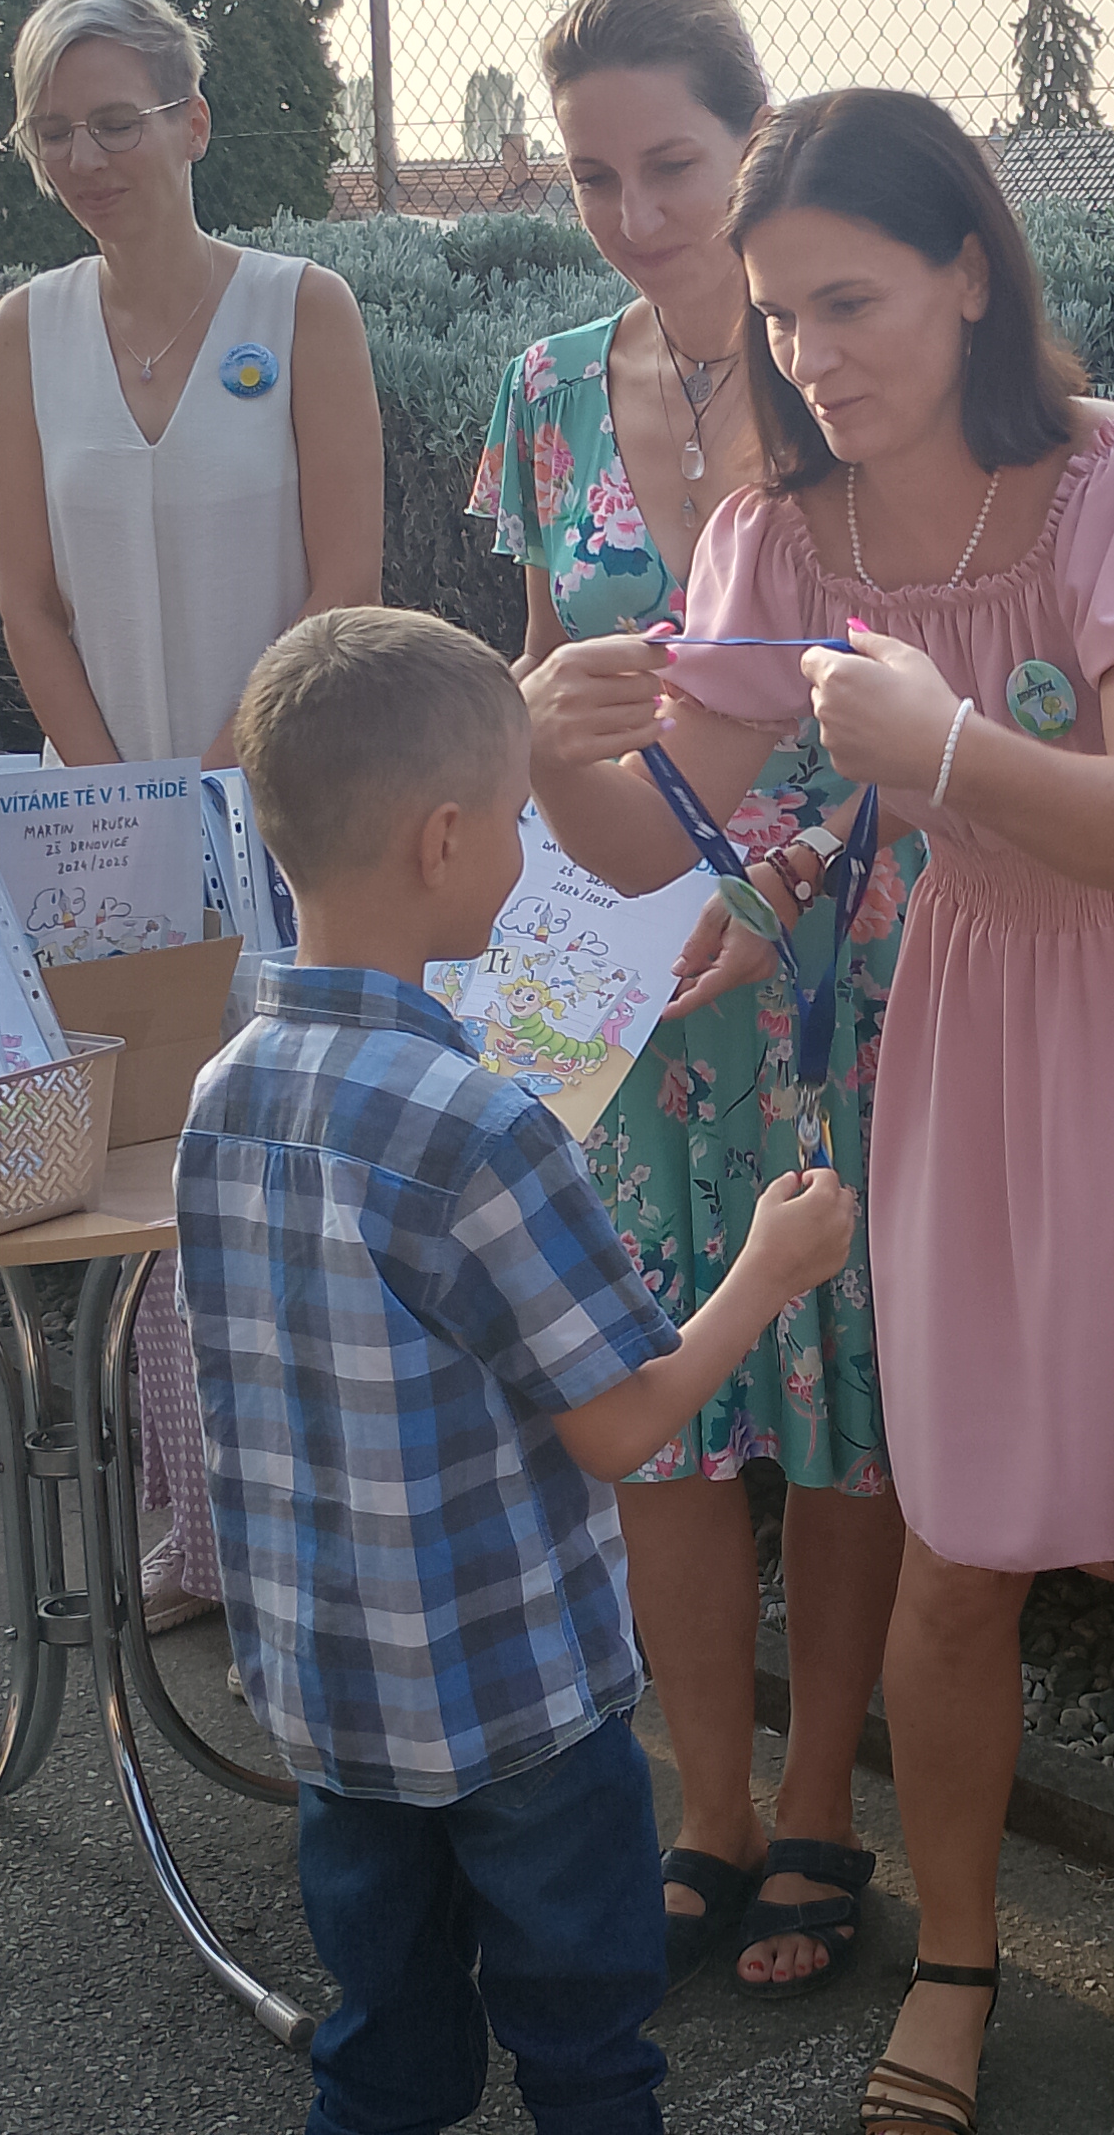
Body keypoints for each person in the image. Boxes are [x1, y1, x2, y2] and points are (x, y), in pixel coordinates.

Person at [524, 89, 1114, 2135]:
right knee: (957, 1547)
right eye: (779, 316)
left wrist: (941, 751)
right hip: (984, 1026)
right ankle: (957, 1954)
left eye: (848, 302)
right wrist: (552, 753)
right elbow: (653, 848)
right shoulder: (784, 533)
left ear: (969, 274)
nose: (808, 356)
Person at [178, 605, 857, 2135]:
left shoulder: (223, 1093)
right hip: (517, 1707)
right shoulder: (479, 1127)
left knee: (384, 2050)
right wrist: (769, 1271)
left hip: (332, 1697)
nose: (526, 855)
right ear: (443, 841)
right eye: (513, 823)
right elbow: (621, 1426)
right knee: (588, 2056)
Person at [472, 0, 910, 1999]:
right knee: (648, 1400)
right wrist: (532, 802)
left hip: (834, 958)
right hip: (623, 976)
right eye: (595, 176)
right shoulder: (549, 387)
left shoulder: (846, 373)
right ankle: (706, 1804)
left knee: (833, 1397)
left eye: (673, 164)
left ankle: (820, 1802)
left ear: (751, 142)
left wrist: (781, 871)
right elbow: (542, 675)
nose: (637, 214)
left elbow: (926, 682)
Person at [0, 0, 383, 1629]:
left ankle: (321, 1537)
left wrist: (218, 779)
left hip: (289, 819)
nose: (88, 158)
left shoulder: (303, 309)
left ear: (192, 121)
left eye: (117, 121)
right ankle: (197, 1530)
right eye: (54, 131)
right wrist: (120, 802)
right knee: (143, 1181)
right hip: (108, 836)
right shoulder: (25, 330)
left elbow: (343, 577)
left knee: (290, 1188)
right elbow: (28, 601)